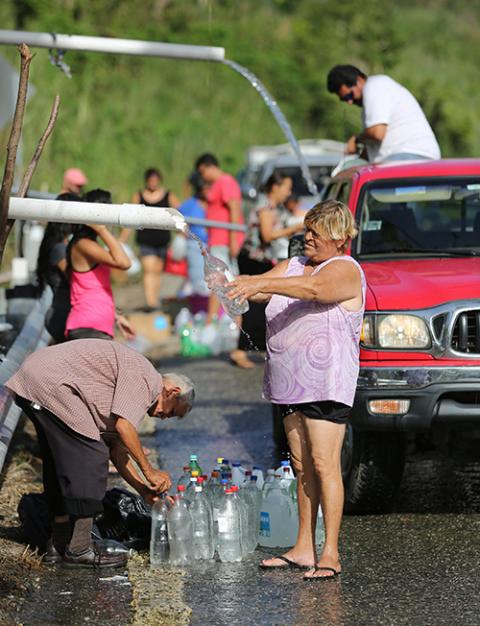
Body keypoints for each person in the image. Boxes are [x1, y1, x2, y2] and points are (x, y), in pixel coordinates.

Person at [228, 200, 365, 579]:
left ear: (338, 238)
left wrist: (258, 281)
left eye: (315, 232)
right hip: (291, 384)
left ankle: (331, 553)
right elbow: (261, 293)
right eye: (306, 230)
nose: (307, 237)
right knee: (302, 465)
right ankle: (304, 546)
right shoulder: (292, 266)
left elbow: (314, 290)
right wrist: (234, 283)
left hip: (326, 384)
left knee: (324, 465)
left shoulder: (345, 270)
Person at [5, 338, 195, 568]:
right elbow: (125, 428)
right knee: (92, 455)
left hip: (38, 378)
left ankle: (58, 545)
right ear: (172, 392)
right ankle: (80, 549)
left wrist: (144, 491)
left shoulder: (135, 391)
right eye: (172, 412)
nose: (165, 418)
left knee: (59, 466)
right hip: (49, 381)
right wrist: (149, 471)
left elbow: (118, 451)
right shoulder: (147, 378)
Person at [231, 173, 302, 369]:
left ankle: (251, 347)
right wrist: (293, 229)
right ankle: (241, 350)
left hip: (260, 257)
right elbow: (267, 235)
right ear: (275, 187)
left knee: (260, 305)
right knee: (254, 306)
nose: (288, 192)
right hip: (253, 258)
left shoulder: (273, 207)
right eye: (286, 187)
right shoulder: (266, 206)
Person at [326, 64, 441, 163]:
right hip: (409, 156)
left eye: (349, 96)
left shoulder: (374, 86)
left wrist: (356, 140)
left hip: (409, 155)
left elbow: (377, 133)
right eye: (344, 99)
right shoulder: (374, 99)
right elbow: (372, 148)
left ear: (359, 80)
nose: (350, 102)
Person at [65, 189, 135, 341]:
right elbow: (124, 262)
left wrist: (116, 317)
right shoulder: (83, 245)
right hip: (87, 327)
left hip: (96, 326)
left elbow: (96, 287)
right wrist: (102, 229)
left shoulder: (90, 244)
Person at [120, 168, 180, 311]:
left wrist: (181, 233)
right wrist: (122, 239)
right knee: (149, 270)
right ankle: (150, 302)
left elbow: (180, 212)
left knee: (158, 271)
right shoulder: (139, 195)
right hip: (145, 240)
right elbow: (131, 217)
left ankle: (154, 300)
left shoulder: (168, 195)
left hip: (162, 240)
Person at [195, 153, 244, 321]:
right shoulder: (218, 184)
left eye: (202, 173)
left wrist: (233, 240)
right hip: (217, 240)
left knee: (223, 282)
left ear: (207, 167)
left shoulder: (225, 181)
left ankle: (218, 322)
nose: (203, 177)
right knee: (220, 283)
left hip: (224, 241)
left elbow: (234, 208)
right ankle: (216, 321)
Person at [36, 193, 81, 343]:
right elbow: (76, 278)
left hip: (61, 313)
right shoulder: (60, 249)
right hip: (63, 314)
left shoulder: (58, 246)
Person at [178, 172, 209, 301]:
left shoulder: (214, 204)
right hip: (195, 246)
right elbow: (178, 224)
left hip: (212, 246)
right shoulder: (189, 204)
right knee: (199, 281)